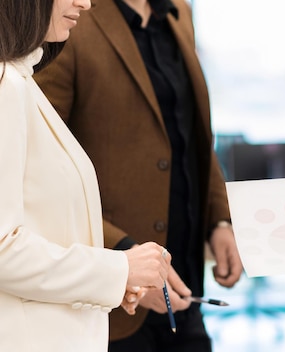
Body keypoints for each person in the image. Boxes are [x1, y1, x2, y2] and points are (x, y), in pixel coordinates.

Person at [34, 0, 243, 351]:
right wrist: (124, 259)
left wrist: (219, 220)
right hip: (111, 306)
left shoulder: (179, 13)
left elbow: (191, 136)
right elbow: (41, 170)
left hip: (186, 293)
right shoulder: (68, 18)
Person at [0, 0, 173, 351]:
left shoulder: (22, 80)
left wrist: (111, 280)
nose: (86, 2)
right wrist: (119, 268)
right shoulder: (7, 86)